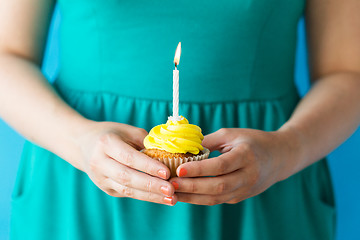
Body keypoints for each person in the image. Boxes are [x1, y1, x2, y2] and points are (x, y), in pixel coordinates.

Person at [0, 0, 359, 239]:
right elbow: (7, 54)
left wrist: (286, 149)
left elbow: (348, 71)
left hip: (265, 182)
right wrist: (77, 140)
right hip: (77, 182)